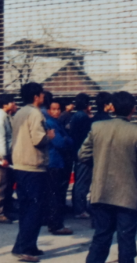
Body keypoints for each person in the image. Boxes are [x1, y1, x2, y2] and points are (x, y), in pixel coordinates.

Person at [79, 91, 137, 263]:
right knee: (126, 240)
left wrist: (100, 165)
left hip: (101, 191)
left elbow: (82, 155)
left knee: (101, 237)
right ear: (133, 109)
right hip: (127, 195)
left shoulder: (97, 127)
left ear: (112, 107)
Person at [10, 82, 55, 263]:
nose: (44, 96)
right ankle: (25, 248)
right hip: (34, 166)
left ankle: (26, 245)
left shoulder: (20, 112)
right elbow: (38, 139)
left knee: (26, 208)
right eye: (42, 94)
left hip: (20, 165)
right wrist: (49, 136)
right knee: (34, 209)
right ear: (36, 96)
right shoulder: (35, 113)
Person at [45, 97, 74, 236]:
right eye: (53, 109)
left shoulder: (56, 123)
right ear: (49, 111)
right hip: (54, 162)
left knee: (57, 194)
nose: (56, 112)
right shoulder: (50, 123)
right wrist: (66, 139)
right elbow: (60, 143)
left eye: (58, 109)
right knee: (56, 195)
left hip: (58, 162)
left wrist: (66, 139)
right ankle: (56, 224)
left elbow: (68, 140)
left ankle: (54, 222)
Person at [0, 93, 15, 223]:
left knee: (7, 185)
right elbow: (0, 138)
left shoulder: (7, 116)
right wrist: (3, 156)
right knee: (1, 185)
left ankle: (6, 210)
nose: (14, 104)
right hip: (1, 157)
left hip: (7, 155)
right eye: (12, 102)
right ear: (5, 104)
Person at [68, 93, 93, 219]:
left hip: (76, 152)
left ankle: (77, 207)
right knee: (82, 182)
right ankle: (80, 209)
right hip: (83, 153)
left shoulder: (75, 116)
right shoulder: (83, 117)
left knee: (79, 181)